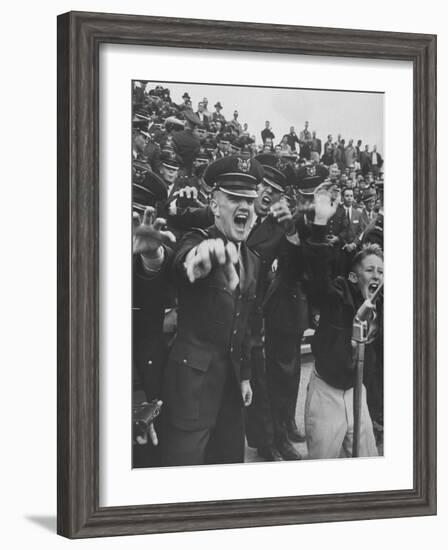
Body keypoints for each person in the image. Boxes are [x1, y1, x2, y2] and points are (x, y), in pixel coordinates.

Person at [160, 156, 263, 466]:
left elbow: (245, 325)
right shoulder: (199, 240)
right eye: (234, 198)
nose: (244, 206)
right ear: (215, 206)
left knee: (228, 470)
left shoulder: (253, 260)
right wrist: (197, 262)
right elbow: (183, 262)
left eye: (250, 200)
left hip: (230, 391)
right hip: (191, 391)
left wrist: (245, 376)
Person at [304, 187, 382, 459]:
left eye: (381, 271)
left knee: (368, 465)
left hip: (357, 393)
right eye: (370, 270)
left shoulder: (382, 304)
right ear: (352, 276)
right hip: (327, 394)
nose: (376, 276)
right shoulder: (337, 293)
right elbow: (317, 282)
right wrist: (319, 226)